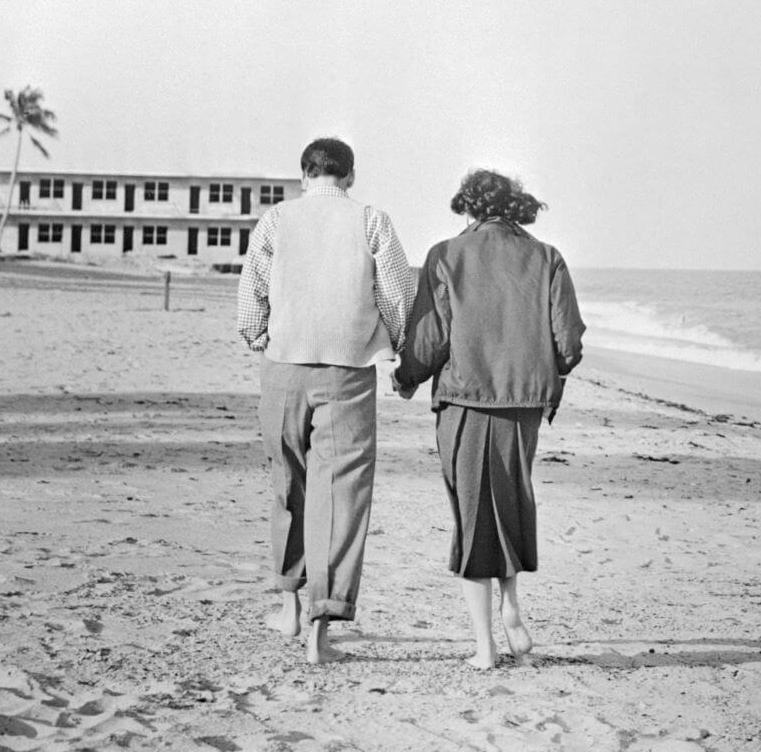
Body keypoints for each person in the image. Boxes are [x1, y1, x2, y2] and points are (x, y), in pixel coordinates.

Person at [393, 169, 584, 669]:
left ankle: (484, 646)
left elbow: (430, 340)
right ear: (514, 205)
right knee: (510, 501)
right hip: (524, 404)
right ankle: (512, 605)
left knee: (474, 514)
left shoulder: (446, 255)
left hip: (466, 399)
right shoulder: (547, 257)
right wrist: (542, 371)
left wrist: (406, 377)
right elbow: (568, 345)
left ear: (468, 207)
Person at [237, 137, 416, 664]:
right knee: (339, 496)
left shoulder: (276, 219)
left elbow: (253, 291)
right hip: (347, 371)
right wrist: (393, 342)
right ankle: (320, 632)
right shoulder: (372, 220)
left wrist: (257, 337)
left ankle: (290, 607)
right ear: (350, 176)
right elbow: (397, 294)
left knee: (287, 485)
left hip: (284, 365)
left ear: (303, 175)